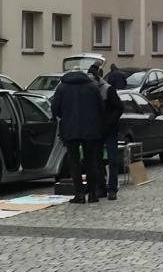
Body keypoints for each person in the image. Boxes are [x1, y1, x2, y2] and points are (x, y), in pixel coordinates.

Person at [50, 67, 105, 203]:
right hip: (90, 129)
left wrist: (65, 117)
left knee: (74, 162)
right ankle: (92, 193)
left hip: (70, 128)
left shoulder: (62, 88)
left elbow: (55, 107)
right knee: (90, 161)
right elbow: (101, 108)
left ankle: (79, 194)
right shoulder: (92, 87)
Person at [95, 62, 125, 201]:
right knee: (97, 159)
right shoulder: (90, 89)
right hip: (97, 130)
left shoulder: (108, 89)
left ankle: (112, 188)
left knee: (112, 160)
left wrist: (108, 121)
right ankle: (101, 187)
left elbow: (119, 108)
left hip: (110, 129)